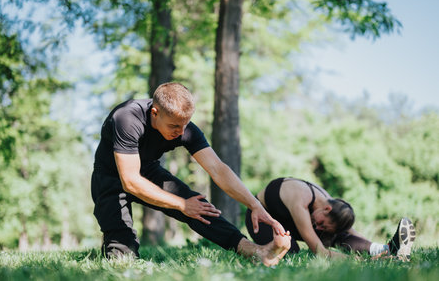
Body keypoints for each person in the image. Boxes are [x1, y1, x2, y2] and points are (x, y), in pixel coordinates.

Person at [91, 82, 291, 266]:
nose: (180, 131)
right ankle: (114, 239)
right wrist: (182, 205)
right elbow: (131, 181)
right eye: (174, 126)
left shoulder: (184, 127)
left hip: (148, 170)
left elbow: (218, 169)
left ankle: (256, 252)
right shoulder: (127, 118)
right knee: (122, 256)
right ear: (155, 112)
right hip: (110, 177)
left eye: (185, 124)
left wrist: (255, 205)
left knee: (199, 208)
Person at [245, 177, 416, 260]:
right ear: (326, 209)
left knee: (337, 235)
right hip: (261, 219)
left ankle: (390, 249)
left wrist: (380, 250)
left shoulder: (328, 203)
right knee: (290, 252)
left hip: (286, 219)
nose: (318, 228)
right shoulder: (300, 201)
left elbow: (351, 232)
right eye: (321, 224)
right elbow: (319, 251)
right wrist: (360, 261)